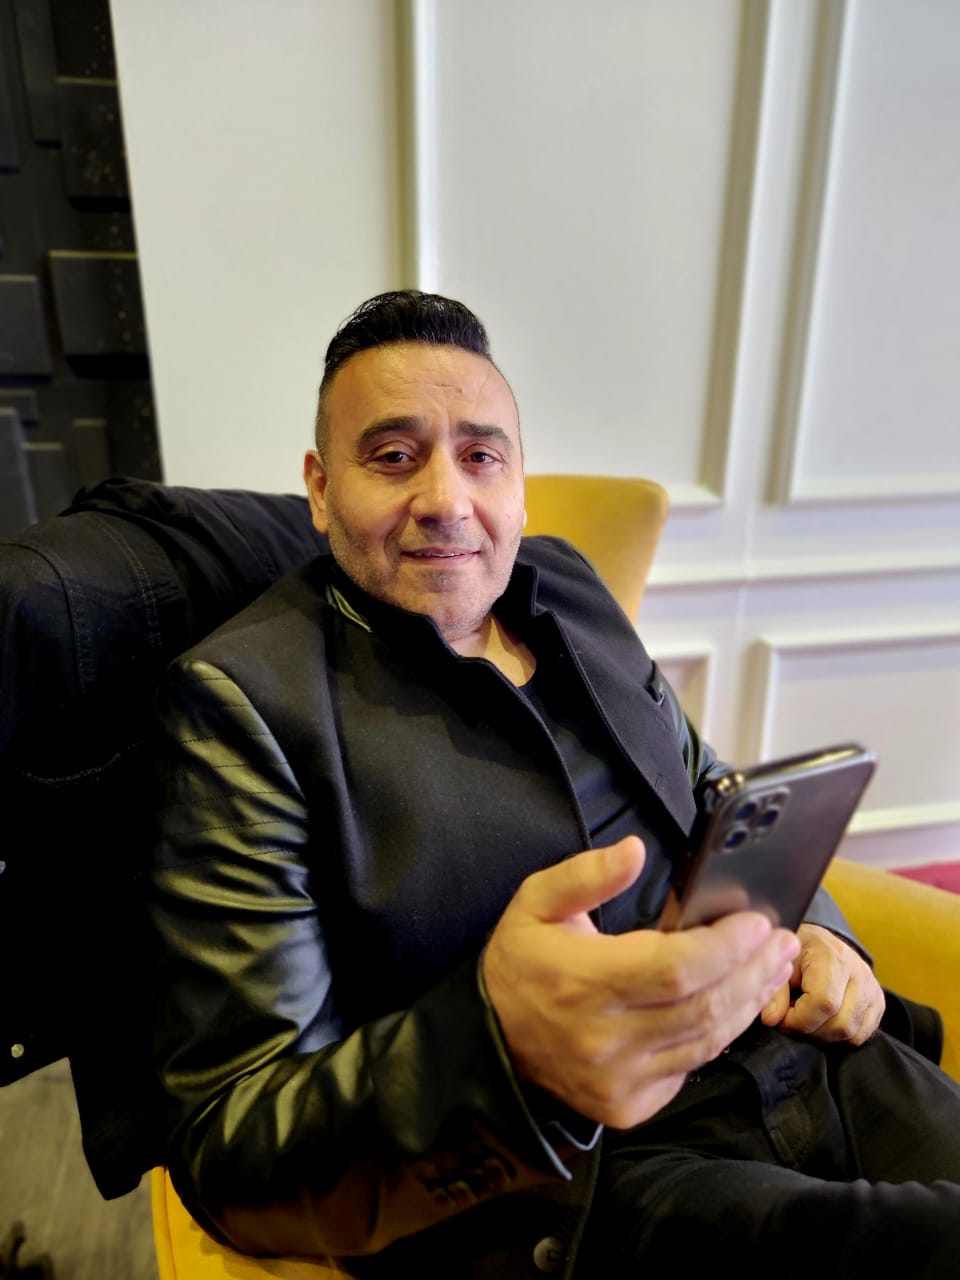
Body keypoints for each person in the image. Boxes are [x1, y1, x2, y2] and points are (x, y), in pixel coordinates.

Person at [149, 290, 960, 1279]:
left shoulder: (566, 585)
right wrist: (507, 1053)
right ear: (320, 489)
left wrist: (817, 929)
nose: (447, 498)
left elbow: (703, 780)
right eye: (393, 456)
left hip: (797, 1049)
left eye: (481, 456)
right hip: (590, 1170)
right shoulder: (246, 702)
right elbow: (231, 1138)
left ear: (519, 484)